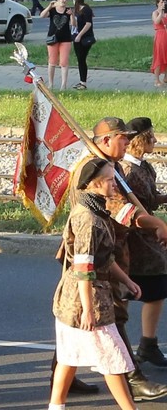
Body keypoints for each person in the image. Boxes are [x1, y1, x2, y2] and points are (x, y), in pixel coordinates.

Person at [78, 117, 167, 400]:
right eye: (123, 138)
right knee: (113, 317)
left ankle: (61, 375)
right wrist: (157, 224)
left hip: (108, 252)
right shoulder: (96, 170)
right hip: (95, 256)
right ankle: (133, 379)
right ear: (106, 140)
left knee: (74, 318)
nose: (128, 143)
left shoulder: (112, 166)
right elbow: (121, 210)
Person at [48, 158, 139, 410]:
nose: (114, 185)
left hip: (77, 297)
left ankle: (56, 407)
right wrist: (87, 309)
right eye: (110, 180)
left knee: (69, 355)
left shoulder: (96, 211)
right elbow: (84, 267)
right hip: (85, 300)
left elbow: (105, 258)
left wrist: (127, 280)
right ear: (96, 184)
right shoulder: (88, 218)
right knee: (112, 359)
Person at [122, 118, 167, 368]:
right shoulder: (127, 170)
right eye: (151, 137)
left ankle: (148, 344)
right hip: (133, 236)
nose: (156, 141)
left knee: (157, 289)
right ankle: (124, 344)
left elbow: (148, 200)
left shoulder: (145, 167)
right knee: (125, 292)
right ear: (140, 140)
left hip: (147, 232)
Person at [41, 0, 74, 91]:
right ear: (58, 0)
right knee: (52, 62)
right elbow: (42, 16)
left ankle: (63, 85)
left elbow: (73, 24)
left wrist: (72, 15)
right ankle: (51, 83)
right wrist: (49, 6)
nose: (63, 1)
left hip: (66, 39)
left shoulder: (68, 11)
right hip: (53, 38)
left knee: (64, 62)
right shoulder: (53, 10)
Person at [71, 0, 96, 90]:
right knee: (80, 60)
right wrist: (72, 15)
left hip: (84, 38)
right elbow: (74, 24)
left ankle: (83, 83)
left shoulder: (86, 10)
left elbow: (88, 24)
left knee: (82, 59)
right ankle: (82, 82)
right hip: (76, 37)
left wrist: (80, 35)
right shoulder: (76, 10)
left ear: (76, 0)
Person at [152, 0, 167, 87]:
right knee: (159, 57)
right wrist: (161, 12)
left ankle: (166, 77)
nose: (163, 4)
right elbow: (157, 21)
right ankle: (157, 80)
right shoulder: (155, 13)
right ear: (157, 3)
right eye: (161, 2)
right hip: (160, 36)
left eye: (164, 2)